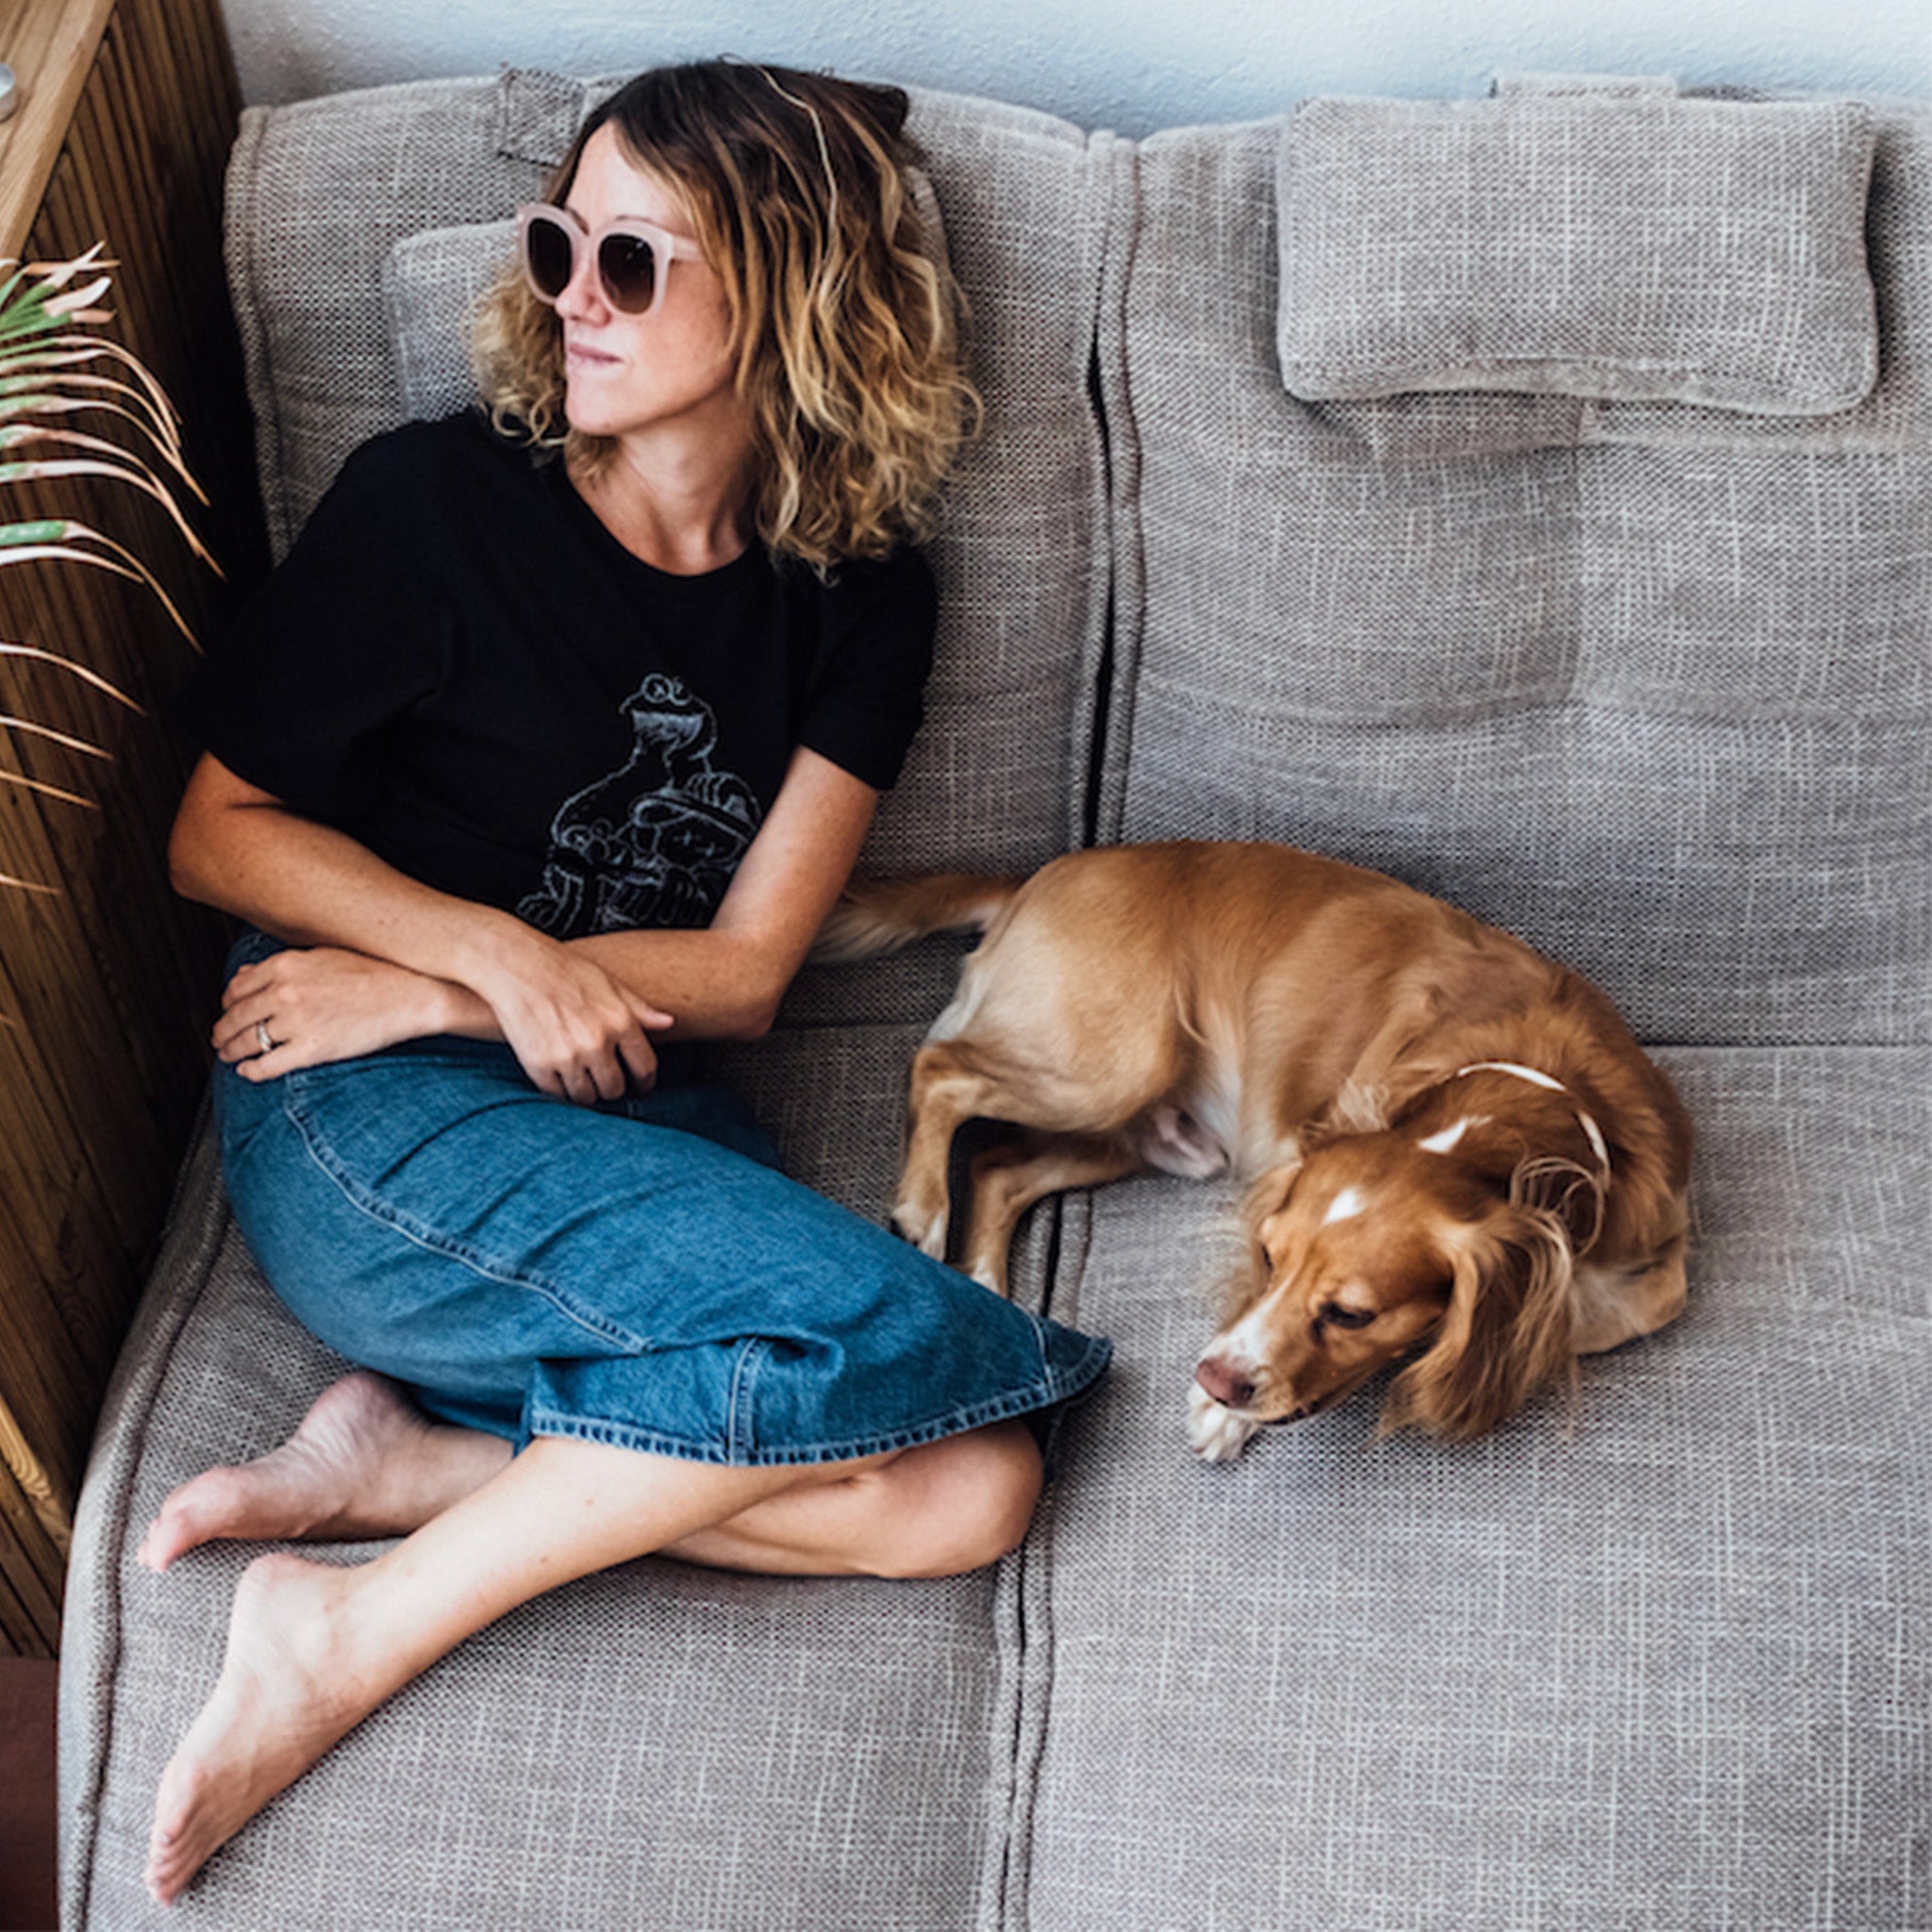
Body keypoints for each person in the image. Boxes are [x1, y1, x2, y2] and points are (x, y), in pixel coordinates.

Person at [139, 60, 1110, 1907]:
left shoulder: (863, 595)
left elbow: (742, 972)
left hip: (598, 1083)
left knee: (967, 1493)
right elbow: (215, 834)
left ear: (793, 293)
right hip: (352, 1093)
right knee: (879, 1347)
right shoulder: (433, 505)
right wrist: (478, 956)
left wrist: (466, 988)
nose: (575, 298)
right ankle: (340, 1629)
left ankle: (421, 1472)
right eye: (559, 245)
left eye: (635, 262)